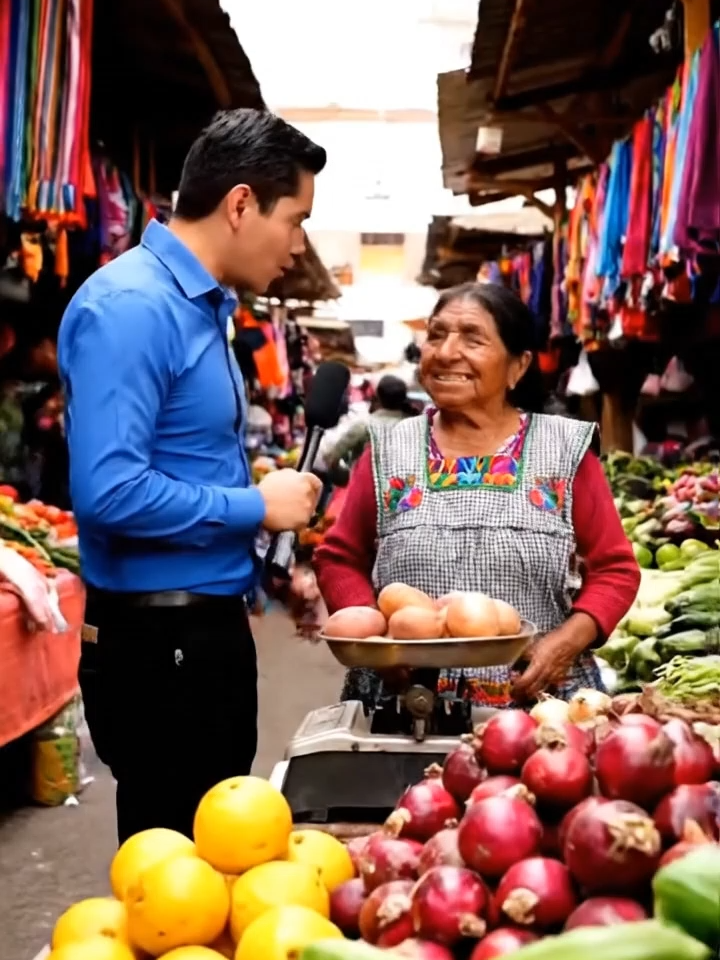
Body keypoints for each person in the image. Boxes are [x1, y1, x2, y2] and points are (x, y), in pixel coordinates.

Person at [58, 109, 326, 843]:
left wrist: (266, 566)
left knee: (214, 860)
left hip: (198, 629)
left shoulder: (203, 309)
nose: (298, 245)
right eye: (295, 219)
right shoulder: (134, 307)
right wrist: (254, 506)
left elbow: (184, 464)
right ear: (241, 204)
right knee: (174, 870)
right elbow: (110, 492)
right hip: (157, 644)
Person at [313, 282, 641, 711]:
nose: (446, 352)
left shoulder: (564, 449)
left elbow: (615, 570)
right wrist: (374, 638)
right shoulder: (389, 448)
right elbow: (339, 558)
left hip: (540, 709)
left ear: (517, 366)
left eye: (472, 338)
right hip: (405, 705)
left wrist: (564, 643)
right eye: (436, 335)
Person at [325, 375, 415, 469]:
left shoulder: (364, 425)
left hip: (365, 480)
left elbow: (331, 458)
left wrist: (347, 477)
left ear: (378, 397)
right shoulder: (415, 426)